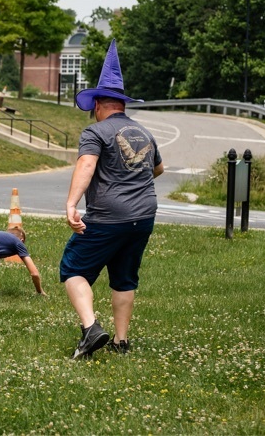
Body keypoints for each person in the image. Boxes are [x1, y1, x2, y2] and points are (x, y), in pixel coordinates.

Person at [61, 39, 164, 359]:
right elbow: (158, 169)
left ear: (97, 105)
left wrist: (71, 204)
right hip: (143, 216)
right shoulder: (144, 132)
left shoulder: (96, 132)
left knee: (73, 269)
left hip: (108, 217)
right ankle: (121, 341)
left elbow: (86, 164)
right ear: (122, 105)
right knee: (124, 277)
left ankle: (91, 328)